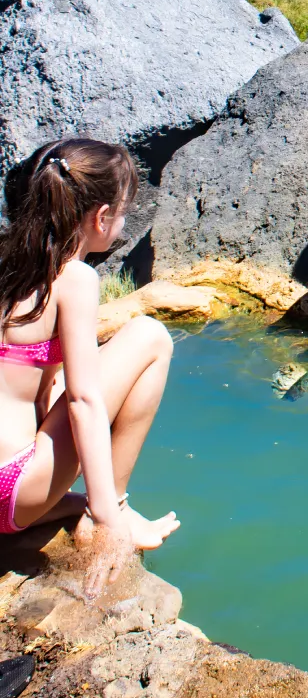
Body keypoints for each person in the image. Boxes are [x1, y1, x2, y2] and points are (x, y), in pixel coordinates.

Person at [0, 139, 180, 599]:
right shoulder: (73, 276)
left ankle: (73, 505)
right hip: (13, 490)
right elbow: (82, 402)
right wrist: (106, 517)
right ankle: (111, 506)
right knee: (150, 337)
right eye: (122, 214)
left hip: (13, 490)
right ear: (100, 216)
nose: (120, 229)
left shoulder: (9, 261)